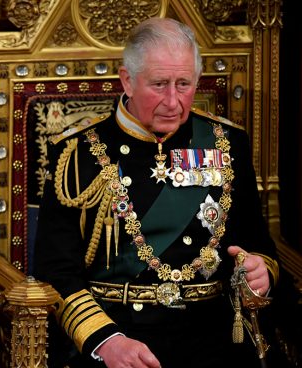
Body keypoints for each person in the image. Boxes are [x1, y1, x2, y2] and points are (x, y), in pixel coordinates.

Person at [33, 18, 280, 368]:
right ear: (127, 81)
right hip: (118, 335)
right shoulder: (77, 153)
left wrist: (260, 272)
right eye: (159, 84)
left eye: (184, 84)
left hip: (213, 337)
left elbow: (259, 245)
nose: (172, 101)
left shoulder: (227, 142)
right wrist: (105, 341)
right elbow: (54, 268)